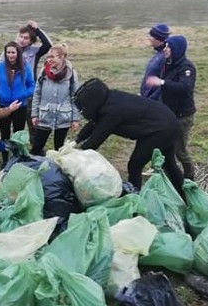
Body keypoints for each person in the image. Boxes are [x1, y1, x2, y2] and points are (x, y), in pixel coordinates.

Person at [73, 77, 184, 195]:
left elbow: (96, 140)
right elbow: (94, 125)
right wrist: (76, 140)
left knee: (135, 165)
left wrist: (76, 155)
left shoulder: (111, 112)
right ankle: (184, 196)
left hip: (160, 130)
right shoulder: (110, 99)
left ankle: (134, 199)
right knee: (169, 164)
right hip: (169, 122)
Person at [145, 34, 197, 180]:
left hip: (182, 116)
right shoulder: (168, 64)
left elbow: (184, 87)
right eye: (166, 46)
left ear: (177, 49)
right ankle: (161, 174)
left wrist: (161, 82)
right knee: (161, 145)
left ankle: (189, 177)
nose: (165, 49)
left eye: (168, 46)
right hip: (168, 114)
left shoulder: (187, 67)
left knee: (179, 151)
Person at [30, 43, 81, 156]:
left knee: (60, 149)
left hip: (63, 117)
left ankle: (59, 172)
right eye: (48, 57)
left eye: (52, 57)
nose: (49, 59)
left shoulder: (71, 73)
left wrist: (75, 119)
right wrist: (34, 115)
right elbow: (37, 94)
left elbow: (75, 97)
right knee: (36, 147)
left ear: (62, 57)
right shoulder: (43, 72)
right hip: (45, 115)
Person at [0, 41, 35, 164]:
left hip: (20, 105)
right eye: (8, 52)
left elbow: (32, 85)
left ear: (18, 53)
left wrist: (22, 95)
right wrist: (1, 94)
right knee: (5, 133)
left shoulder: (25, 67)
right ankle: (5, 160)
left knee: (18, 132)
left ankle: (17, 157)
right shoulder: (0, 67)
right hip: (4, 105)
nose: (11, 55)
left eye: (13, 52)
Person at [140, 23, 170, 100]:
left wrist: (151, 99)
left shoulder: (164, 57)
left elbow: (163, 83)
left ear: (159, 38)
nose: (149, 38)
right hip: (147, 98)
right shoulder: (158, 54)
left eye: (152, 36)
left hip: (153, 101)